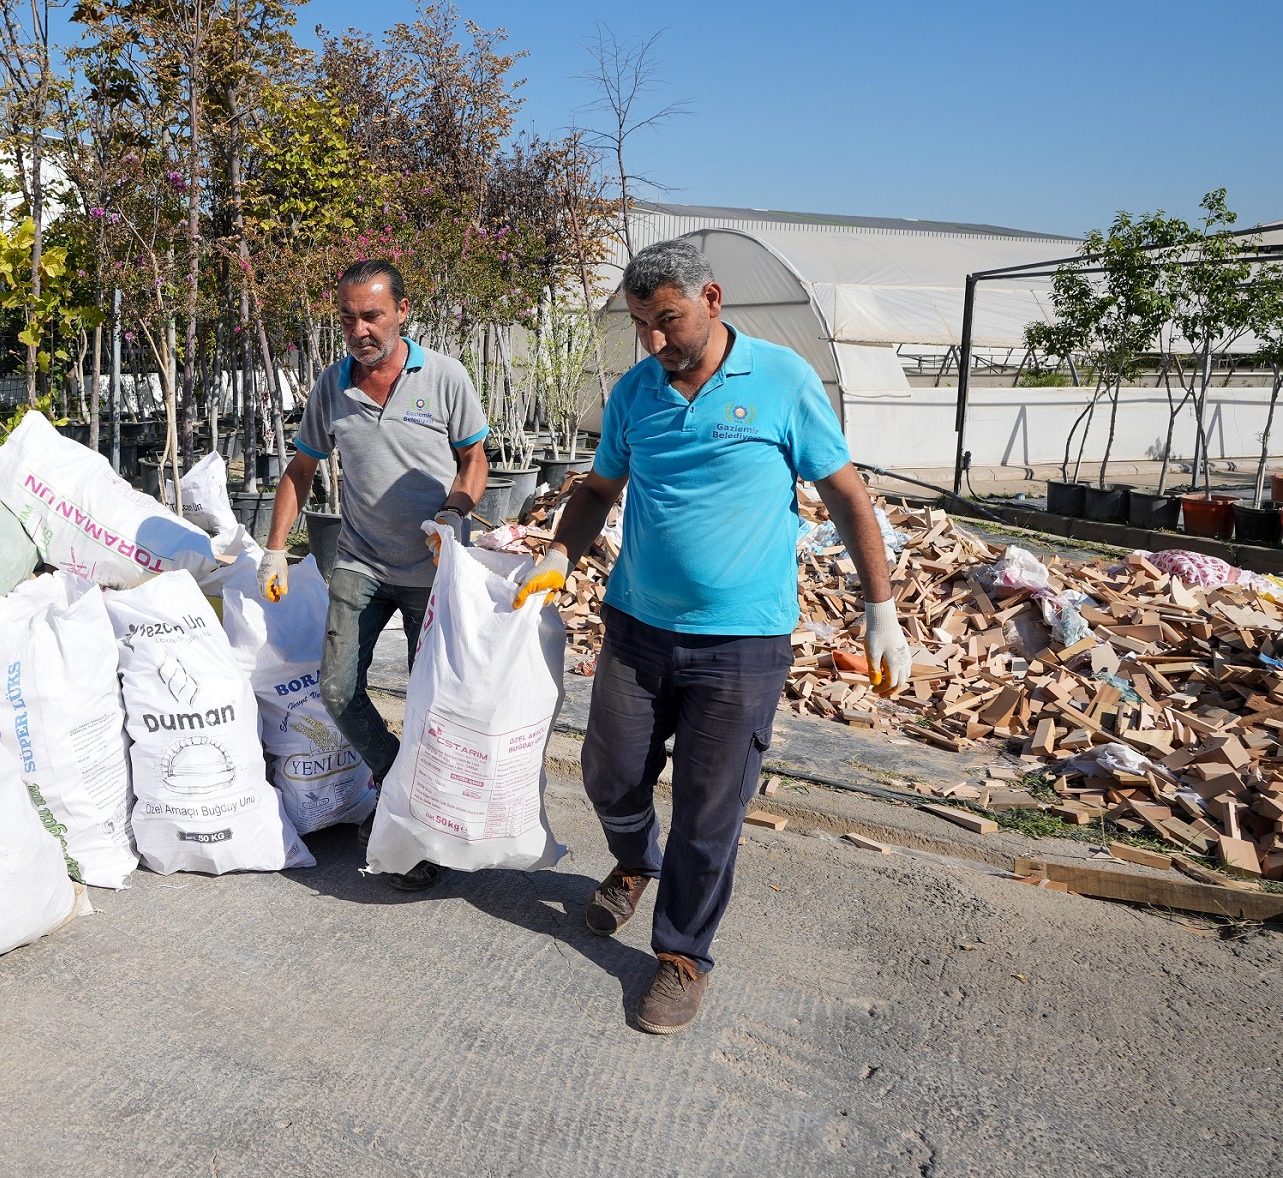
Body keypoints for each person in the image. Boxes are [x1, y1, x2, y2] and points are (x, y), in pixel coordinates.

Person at [516, 238, 910, 1034]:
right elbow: (598, 489)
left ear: (714, 299)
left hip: (742, 643)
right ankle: (634, 863)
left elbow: (847, 496)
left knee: (709, 808)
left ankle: (683, 955)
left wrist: (881, 609)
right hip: (637, 625)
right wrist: (560, 550)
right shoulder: (636, 392)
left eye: (668, 320)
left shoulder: (782, 382)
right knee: (609, 770)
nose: (656, 342)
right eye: (640, 324)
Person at [260, 259, 491, 890]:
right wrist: (275, 548)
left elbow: (475, 461)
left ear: (402, 311)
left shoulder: (444, 377)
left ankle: (424, 827)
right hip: (360, 560)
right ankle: (401, 789)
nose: (360, 329)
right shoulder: (331, 387)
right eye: (348, 317)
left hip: (430, 571)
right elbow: (300, 469)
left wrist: (453, 513)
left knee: (430, 703)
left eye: (372, 314)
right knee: (337, 691)